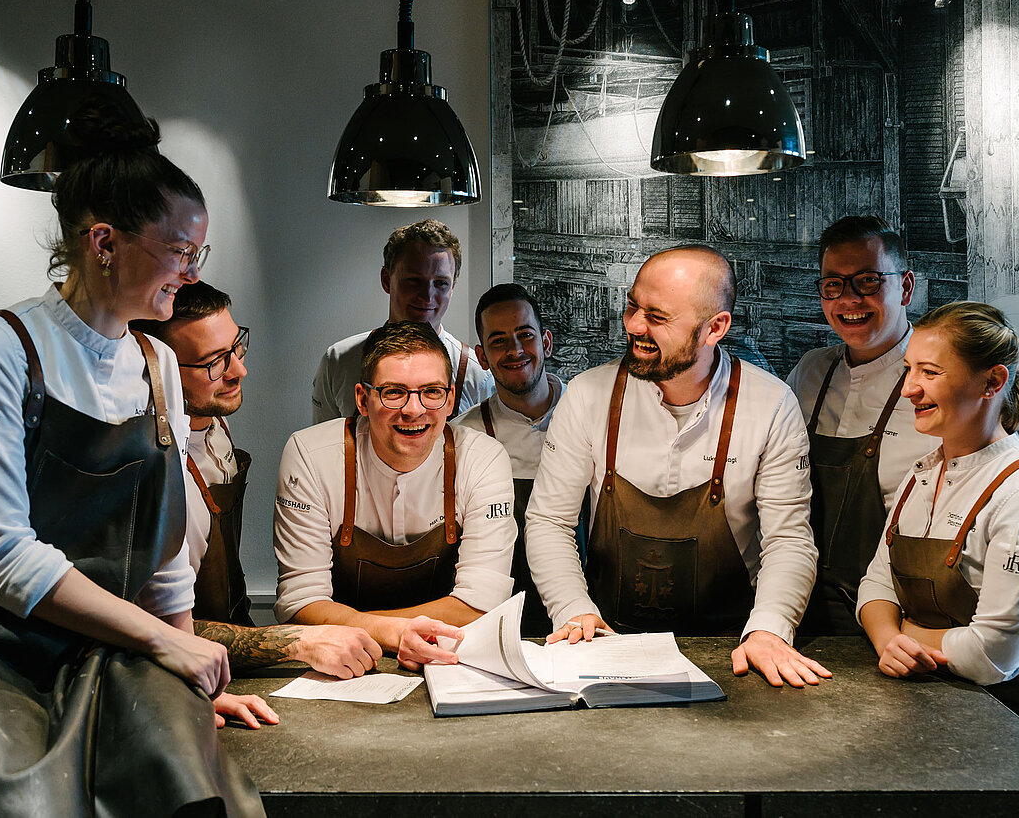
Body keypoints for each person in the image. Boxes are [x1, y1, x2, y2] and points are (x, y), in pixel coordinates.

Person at [0, 105, 268, 817]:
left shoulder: (157, 365)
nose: (190, 272)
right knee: (24, 805)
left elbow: (164, 562)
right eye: (180, 251)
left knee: (193, 792)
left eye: (196, 255)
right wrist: (160, 643)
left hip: (107, 648)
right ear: (104, 242)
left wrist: (192, 679)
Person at [526, 247, 831, 689]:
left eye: (657, 316)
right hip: (606, 645)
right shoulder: (588, 395)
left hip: (732, 653)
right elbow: (549, 522)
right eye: (632, 306)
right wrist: (574, 610)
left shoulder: (770, 404)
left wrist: (769, 628)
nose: (633, 325)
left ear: (715, 328)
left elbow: (788, 540)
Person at [788, 216, 1019, 635]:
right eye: (833, 285)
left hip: (902, 624)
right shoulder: (811, 373)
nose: (849, 299)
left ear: (906, 287)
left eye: (868, 281)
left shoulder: (949, 385)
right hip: (812, 612)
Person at [856, 301, 1019, 780]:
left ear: (993, 382)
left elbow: (992, 656)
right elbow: (875, 585)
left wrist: (904, 633)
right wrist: (888, 637)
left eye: (929, 372)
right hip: (940, 732)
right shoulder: (921, 475)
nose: (909, 388)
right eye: (909, 370)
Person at [133, 282, 382, 678]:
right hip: (175, 670)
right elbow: (155, 627)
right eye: (214, 361)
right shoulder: (153, 472)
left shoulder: (215, 425)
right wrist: (299, 643)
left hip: (232, 652)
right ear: (158, 369)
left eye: (236, 347)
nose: (239, 370)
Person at [276, 321, 516, 670]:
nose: (413, 409)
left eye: (432, 391)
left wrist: (362, 626)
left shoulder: (483, 459)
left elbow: (480, 603)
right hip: (340, 665)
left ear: (450, 400)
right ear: (362, 399)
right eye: (393, 392)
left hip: (447, 663)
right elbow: (301, 603)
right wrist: (391, 632)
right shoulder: (310, 456)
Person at [454, 283, 567, 635]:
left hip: (588, 615)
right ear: (482, 357)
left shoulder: (589, 415)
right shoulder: (463, 436)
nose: (515, 350)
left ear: (545, 342)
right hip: (499, 623)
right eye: (499, 341)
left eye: (525, 335)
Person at [311, 219, 493, 423]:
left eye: (441, 283)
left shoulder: (476, 374)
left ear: (453, 288)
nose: (427, 295)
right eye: (414, 281)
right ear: (386, 280)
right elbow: (324, 445)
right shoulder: (340, 362)